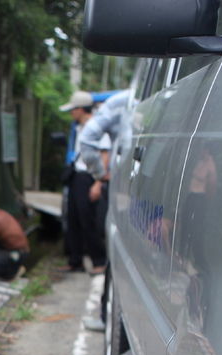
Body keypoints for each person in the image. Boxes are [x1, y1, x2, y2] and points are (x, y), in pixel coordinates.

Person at [77, 89, 130, 332]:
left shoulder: (124, 101)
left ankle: (106, 316)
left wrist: (100, 176)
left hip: (122, 189)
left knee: (115, 251)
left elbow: (88, 142)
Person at [58, 90, 106, 275]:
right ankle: (75, 260)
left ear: (80, 109)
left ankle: (99, 260)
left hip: (89, 177)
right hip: (76, 176)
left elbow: (104, 155)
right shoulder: (77, 128)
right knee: (73, 219)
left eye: (73, 109)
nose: (71, 113)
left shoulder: (97, 127)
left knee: (88, 221)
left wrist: (98, 182)